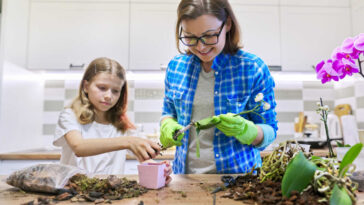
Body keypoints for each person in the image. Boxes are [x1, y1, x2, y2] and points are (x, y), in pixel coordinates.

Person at [160, 0, 278, 174]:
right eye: (190, 37)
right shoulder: (175, 67)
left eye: (209, 35)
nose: (201, 46)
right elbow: (168, 113)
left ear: (228, 24)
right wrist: (167, 125)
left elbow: (270, 130)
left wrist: (249, 131)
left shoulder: (252, 68)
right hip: (185, 181)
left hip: (240, 182)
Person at [53, 57, 171, 183]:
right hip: (73, 193)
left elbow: (144, 159)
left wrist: (160, 171)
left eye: (115, 91)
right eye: (102, 88)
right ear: (86, 86)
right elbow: (79, 147)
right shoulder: (70, 115)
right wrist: (128, 141)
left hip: (111, 195)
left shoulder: (121, 124)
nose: (109, 96)